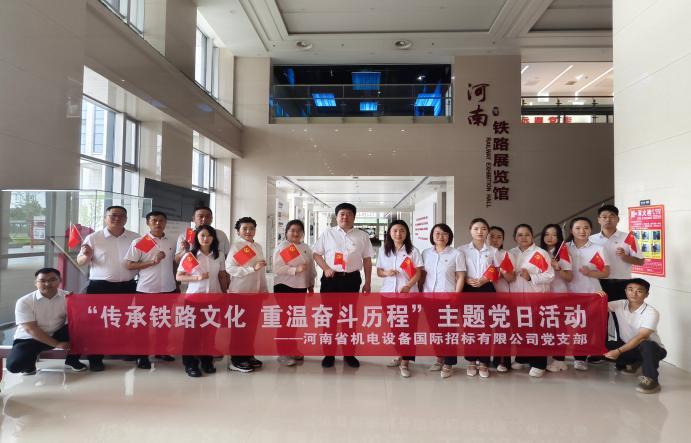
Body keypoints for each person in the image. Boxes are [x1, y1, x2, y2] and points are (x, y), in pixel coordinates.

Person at [76, 205, 139, 372]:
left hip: (128, 286)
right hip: (100, 287)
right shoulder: (93, 238)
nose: (117, 218)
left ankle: (124, 351)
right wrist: (86, 256)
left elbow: (144, 258)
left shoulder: (135, 238)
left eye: (121, 216)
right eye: (113, 215)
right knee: (97, 324)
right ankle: (95, 358)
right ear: (105, 218)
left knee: (125, 321)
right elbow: (80, 261)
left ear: (126, 219)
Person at [312, 202, 374, 369]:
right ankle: (329, 354)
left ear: (354, 217)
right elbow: (316, 254)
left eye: (348, 214)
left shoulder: (362, 236)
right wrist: (325, 268)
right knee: (329, 317)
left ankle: (349, 354)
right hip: (331, 279)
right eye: (342, 214)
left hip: (351, 280)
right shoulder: (328, 233)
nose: (345, 217)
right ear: (337, 216)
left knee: (349, 318)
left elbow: (367, 260)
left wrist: (368, 282)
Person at [5, 268, 87, 375]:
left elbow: (78, 319)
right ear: (36, 283)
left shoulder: (68, 297)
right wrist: (57, 344)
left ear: (60, 280)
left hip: (56, 334)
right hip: (29, 339)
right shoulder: (24, 301)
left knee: (84, 327)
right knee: (14, 366)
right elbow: (31, 329)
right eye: (42, 281)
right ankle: (29, 364)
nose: (47, 284)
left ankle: (72, 360)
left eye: (52, 280)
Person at [125, 210, 178, 369]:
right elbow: (129, 264)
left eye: (161, 220)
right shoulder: (141, 242)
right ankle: (142, 356)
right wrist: (152, 262)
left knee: (164, 323)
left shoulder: (172, 241)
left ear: (165, 223)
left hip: (168, 288)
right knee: (143, 325)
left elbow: (174, 263)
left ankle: (161, 351)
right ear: (148, 223)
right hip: (146, 289)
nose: (158, 223)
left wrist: (176, 283)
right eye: (154, 220)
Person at [176, 225, 229, 377]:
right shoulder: (191, 256)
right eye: (202, 235)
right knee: (192, 334)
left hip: (214, 298)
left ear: (213, 238)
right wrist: (196, 277)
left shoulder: (218, 255)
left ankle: (206, 361)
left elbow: (222, 275)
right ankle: (190, 364)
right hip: (194, 300)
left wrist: (225, 293)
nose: (206, 238)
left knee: (210, 332)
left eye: (209, 235)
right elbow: (179, 276)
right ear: (197, 238)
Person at [457, 218, 508, 378]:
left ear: (487, 231)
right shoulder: (461, 250)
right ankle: (472, 360)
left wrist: (486, 279)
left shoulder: (493, 251)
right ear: (470, 230)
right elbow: (458, 271)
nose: (480, 231)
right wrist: (466, 280)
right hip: (468, 289)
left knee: (486, 326)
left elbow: (498, 271)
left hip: (486, 288)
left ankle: (484, 362)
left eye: (483, 229)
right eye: (476, 228)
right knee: (470, 326)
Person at [376, 220, 423, 378]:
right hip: (388, 294)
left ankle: (406, 362)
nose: (398, 233)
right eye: (395, 230)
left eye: (402, 230)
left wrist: (408, 286)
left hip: (408, 295)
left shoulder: (413, 251)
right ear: (389, 232)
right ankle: (400, 355)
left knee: (409, 328)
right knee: (395, 328)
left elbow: (418, 272)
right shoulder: (384, 250)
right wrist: (386, 273)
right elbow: (379, 271)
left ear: (406, 233)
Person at [418, 223, 465, 379]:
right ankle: (440, 358)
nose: (440, 236)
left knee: (448, 331)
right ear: (432, 235)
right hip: (429, 297)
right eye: (437, 233)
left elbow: (461, 276)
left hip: (448, 298)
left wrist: (456, 295)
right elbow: (422, 275)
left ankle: (449, 363)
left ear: (449, 236)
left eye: (444, 234)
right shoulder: (426, 253)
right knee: (434, 330)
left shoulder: (456, 254)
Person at [603, 278, 666, 394]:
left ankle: (652, 380)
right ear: (625, 291)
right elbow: (597, 306)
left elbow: (641, 337)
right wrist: (598, 296)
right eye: (630, 289)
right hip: (630, 347)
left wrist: (618, 351)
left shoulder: (651, 312)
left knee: (646, 345)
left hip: (653, 349)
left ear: (646, 294)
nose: (634, 293)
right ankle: (635, 362)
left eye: (639, 291)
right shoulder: (620, 304)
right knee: (605, 344)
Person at [508, 224, 555, 378]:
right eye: (520, 235)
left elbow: (549, 275)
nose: (523, 238)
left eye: (527, 234)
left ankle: (539, 363)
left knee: (536, 331)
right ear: (515, 237)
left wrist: (531, 277)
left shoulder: (540, 253)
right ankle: (522, 357)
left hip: (536, 298)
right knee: (520, 329)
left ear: (532, 236)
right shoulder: (511, 253)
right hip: (516, 298)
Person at [566, 216, 610, 371]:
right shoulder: (564, 248)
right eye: (578, 228)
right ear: (571, 230)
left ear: (591, 230)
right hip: (568, 293)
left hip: (591, 293)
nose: (582, 231)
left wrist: (590, 273)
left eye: (586, 228)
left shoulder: (597, 248)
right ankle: (559, 356)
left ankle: (580, 358)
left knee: (585, 327)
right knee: (568, 326)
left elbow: (605, 272)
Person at [225, 216, 268, 373]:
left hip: (255, 293)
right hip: (240, 293)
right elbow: (230, 268)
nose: (248, 231)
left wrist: (264, 289)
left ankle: (248, 355)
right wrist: (251, 269)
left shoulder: (258, 246)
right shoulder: (237, 247)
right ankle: (236, 360)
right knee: (239, 329)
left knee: (251, 328)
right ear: (238, 231)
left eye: (251, 228)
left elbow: (261, 271)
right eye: (244, 228)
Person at [272, 219, 316, 367]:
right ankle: (283, 353)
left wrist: (311, 283)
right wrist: (295, 270)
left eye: (299, 231)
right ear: (286, 232)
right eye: (292, 230)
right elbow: (277, 268)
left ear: (303, 233)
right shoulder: (283, 247)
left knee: (294, 320)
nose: (296, 233)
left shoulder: (305, 247)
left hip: (300, 287)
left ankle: (292, 348)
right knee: (285, 321)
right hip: (285, 286)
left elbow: (311, 267)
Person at [590, 205, 644, 302]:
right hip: (597, 283)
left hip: (622, 283)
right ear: (598, 220)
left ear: (618, 219)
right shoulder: (591, 239)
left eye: (612, 216)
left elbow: (641, 261)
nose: (608, 219)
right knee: (600, 311)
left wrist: (624, 257)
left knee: (621, 311)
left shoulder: (629, 237)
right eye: (604, 217)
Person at [539, 223, 574, 373]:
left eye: (554, 235)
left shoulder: (563, 253)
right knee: (545, 327)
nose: (550, 237)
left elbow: (569, 277)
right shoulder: (540, 252)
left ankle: (560, 360)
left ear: (559, 237)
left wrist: (557, 267)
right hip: (542, 294)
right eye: (547, 234)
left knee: (559, 328)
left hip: (558, 294)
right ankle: (547, 356)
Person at [488, 225, 513, 373]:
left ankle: (502, 359)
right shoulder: (482, 254)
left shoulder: (506, 255)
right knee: (482, 328)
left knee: (502, 329)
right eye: (492, 236)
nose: (495, 240)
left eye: (499, 237)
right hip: (484, 296)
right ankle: (481, 358)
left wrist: (502, 271)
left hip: (502, 296)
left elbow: (511, 278)